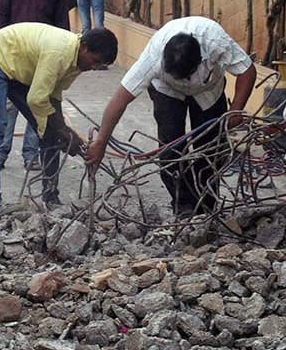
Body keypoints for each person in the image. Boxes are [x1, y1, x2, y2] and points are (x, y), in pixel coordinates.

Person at [86, 16, 257, 218]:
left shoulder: (214, 40)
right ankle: (183, 206)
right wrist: (101, 141)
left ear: (199, 60)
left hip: (208, 91)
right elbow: (119, 100)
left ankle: (206, 206)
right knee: (170, 149)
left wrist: (236, 110)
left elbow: (247, 71)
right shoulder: (153, 56)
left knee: (211, 149)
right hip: (167, 92)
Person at [0, 24, 118, 213]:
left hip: (19, 69)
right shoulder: (58, 52)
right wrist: (65, 130)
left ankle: (50, 197)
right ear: (84, 47)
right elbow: (36, 99)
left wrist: (63, 133)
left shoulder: (77, 62)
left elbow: (53, 96)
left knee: (51, 134)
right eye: (94, 60)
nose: (93, 67)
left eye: (98, 65)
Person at [0, 0, 70, 171]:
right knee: (8, 107)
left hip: (44, 58)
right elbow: (1, 19)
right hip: (14, 57)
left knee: (36, 107)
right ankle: (0, 153)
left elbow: (62, 28)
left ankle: (30, 154)